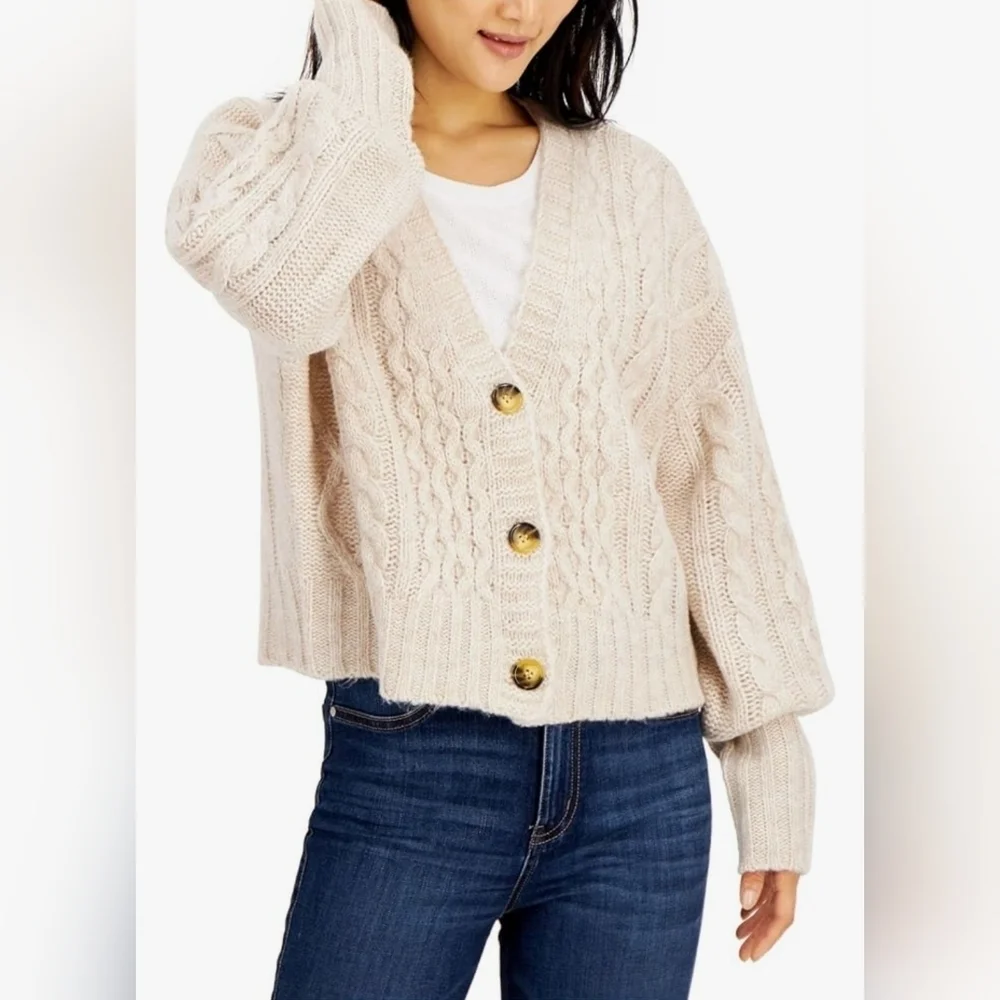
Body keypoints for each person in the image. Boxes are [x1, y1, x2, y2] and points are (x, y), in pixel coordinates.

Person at [163, 1, 836, 996]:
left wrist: (770, 758)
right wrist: (357, 45)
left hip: (643, 778)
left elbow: (711, 467)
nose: (522, 7)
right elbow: (282, 292)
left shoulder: (634, 186)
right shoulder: (265, 156)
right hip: (412, 763)